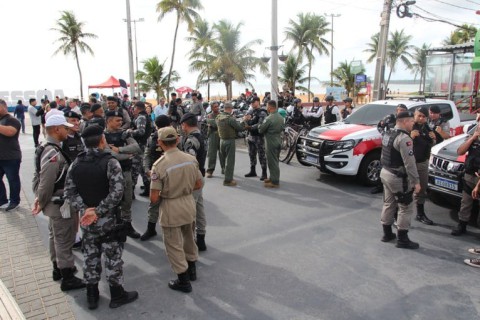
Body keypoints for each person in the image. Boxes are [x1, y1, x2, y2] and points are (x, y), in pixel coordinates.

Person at [64, 125, 138, 309]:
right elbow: (117, 192)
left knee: (90, 256)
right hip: (108, 220)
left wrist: (86, 209)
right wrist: (98, 211)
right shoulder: (110, 162)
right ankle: (117, 294)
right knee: (112, 256)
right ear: (102, 140)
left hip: (87, 221)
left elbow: (69, 192)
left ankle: (92, 294)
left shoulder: (76, 163)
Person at [31, 114, 85, 291]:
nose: (67, 130)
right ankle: (67, 276)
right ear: (56, 129)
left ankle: (59, 268)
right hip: (59, 204)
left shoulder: (48, 148)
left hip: (54, 202)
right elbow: (45, 182)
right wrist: (41, 200)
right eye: (64, 128)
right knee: (64, 239)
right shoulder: (52, 152)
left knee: (55, 236)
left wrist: (41, 199)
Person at [150, 127, 202, 293]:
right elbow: (198, 184)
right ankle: (192, 269)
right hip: (188, 202)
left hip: (171, 206)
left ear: (160, 143)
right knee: (189, 237)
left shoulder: (159, 165)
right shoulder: (190, 159)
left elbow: (154, 198)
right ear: (178, 140)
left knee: (173, 244)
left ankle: (183, 280)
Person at [379, 111, 421, 249]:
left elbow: (383, 155)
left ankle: (387, 234)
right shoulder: (404, 139)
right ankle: (402, 239)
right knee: (406, 206)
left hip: (385, 172)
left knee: (389, 203)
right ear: (404, 121)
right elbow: (410, 163)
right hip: (397, 176)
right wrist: (416, 182)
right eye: (411, 121)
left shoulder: (388, 133)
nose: (413, 124)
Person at [104, 111, 142, 238]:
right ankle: (113, 226)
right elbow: (108, 154)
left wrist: (119, 149)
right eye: (117, 120)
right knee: (112, 201)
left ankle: (127, 225)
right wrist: (126, 156)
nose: (121, 123)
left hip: (125, 172)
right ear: (109, 121)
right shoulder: (102, 136)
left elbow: (136, 147)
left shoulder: (123, 134)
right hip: (109, 175)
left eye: (121, 120)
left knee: (127, 200)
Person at [140, 115, 171, 241]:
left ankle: (172, 231)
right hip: (156, 175)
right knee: (154, 203)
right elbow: (147, 155)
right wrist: (147, 170)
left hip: (171, 175)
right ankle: (151, 228)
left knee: (171, 203)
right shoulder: (152, 138)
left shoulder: (174, 137)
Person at [180, 113, 208, 251]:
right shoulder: (200, 135)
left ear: (184, 124)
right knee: (199, 208)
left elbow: (190, 161)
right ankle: (201, 239)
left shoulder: (191, 140)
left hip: (193, 178)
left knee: (189, 210)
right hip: (200, 176)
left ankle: (190, 243)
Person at [451, 114, 480, 236]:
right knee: (466, 202)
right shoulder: (473, 135)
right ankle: (462, 225)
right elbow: (460, 151)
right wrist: (472, 139)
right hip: (469, 174)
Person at [371, 103, 409, 194]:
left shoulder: (407, 120)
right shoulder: (390, 118)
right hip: (388, 144)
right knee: (384, 164)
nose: (400, 112)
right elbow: (380, 126)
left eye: (403, 110)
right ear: (396, 110)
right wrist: (384, 135)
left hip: (400, 144)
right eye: (399, 110)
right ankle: (379, 186)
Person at [411, 107, 436, 225]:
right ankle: (397, 216)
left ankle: (420, 214)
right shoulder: (409, 126)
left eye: (423, 116)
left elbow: (431, 145)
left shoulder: (426, 127)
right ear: (414, 115)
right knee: (404, 190)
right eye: (419, 115)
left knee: (422, 189)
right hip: (409, 163)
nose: (421, 118)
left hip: (422, 162)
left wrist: (433, 139)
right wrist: (410, 137)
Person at [215, 102, 246, 186]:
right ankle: (228, 180)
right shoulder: (230, 119)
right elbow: (240, 128)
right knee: (230, 160)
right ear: (230, 109)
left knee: (223, 158)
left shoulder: (218, 117)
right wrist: (244, 121)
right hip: (230, 141)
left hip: (221, 140)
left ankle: (224, 170)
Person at [0, 99, 22, 211]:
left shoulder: (12, 120)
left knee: (13, 180)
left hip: (11, 157)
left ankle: (14, 201)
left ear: (4, 106)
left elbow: (10, 132)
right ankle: (2, 200)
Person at [258, 100, 285, 188]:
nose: (266, 108)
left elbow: (261, 130)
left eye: (267, 106)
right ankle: (272, 177)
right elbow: (282, 128)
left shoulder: (269, 118)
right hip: (278, 140)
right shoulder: (281, 117)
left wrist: (259, 125)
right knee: (275, 161)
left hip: (270, 142)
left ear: (270, 107)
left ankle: (275, 182)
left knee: (272, 162)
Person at [128, 101, 152, 197]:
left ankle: (131, 191)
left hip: (139, 145)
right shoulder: (146, 116)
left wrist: (129, 132)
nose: (133, 110)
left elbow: (141, 131)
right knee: (143, 167)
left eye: (134, 108)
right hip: (143, 144)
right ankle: (148, 187)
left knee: (134, 169)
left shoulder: (141, 117)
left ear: (138, 108)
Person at [244, 97, 268, 180]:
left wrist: (250, 127)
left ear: (258, 102)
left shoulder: (262, 112)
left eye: (253, 102)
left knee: (261, 155)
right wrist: (246, 120)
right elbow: (247, 120)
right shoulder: (251, 111)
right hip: (251, 136)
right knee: (251, 154)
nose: (252, 104)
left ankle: (264, 173)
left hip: (258, 136)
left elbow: (260, 124)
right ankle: (253, 171)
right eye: (251, 102)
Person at [205, 101, 224, 178]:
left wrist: (216, 123)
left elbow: (221, 124)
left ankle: (224, 168)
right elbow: (213, 123)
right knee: (212, 154)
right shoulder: (209, 115)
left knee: (222, 153)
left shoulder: (221, 114)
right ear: (212, 108)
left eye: (217, 106)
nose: (217, 108)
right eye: (215, 106)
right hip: (213, 135)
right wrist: (216, 123)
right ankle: (210, 170)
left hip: (221, 135)